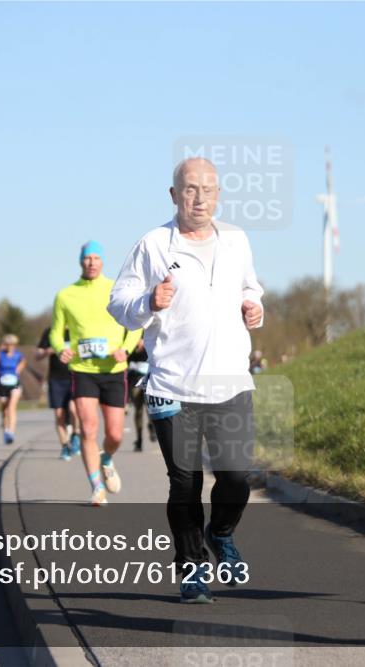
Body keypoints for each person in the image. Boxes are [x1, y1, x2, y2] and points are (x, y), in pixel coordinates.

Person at [109, 158, 264, 603]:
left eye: (209, 190)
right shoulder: (153, 244)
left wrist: (254, 307)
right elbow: (118, 302)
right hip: (173, 386)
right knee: (185, 482)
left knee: (236, 477)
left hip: (231, 382)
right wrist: (147, 302)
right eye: (190, 189)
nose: (200, 198)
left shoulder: (236, 240)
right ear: (174, 195)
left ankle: (220, 532)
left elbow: (251, 287)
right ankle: (192, 568)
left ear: (218, 195)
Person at [51, 241, 143, 506]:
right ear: (80, 262)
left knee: (114, 434)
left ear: (103, 262)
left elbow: (134, 324)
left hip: (114, 370)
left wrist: (125, 349)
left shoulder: (116, 288)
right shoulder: (65, 295)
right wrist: (60, 348)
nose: (91, 262)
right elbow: (57, 332)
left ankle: (106, 459)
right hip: (83, 370)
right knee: (88, 430)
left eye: (96, 258)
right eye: (87, 258)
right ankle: (96, 487)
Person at [36, 326, 82, 460]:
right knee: (59, 414)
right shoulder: (51, 331)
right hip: (56, 378)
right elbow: (37, 354)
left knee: (74, 409)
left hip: (75, 375)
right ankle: (65, 446)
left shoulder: (77, 328)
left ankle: (75, 435)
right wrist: (47, 351)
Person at [0, 333, 26, 444]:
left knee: (12, 406)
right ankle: (6, 430)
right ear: (5, 345)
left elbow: (23, 363)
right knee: (4, 409)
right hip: (2, 384)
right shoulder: (0, 355)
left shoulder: (18, 355)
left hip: (14, 383)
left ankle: (11, 432)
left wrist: (18, 370)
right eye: (8, 344)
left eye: (12, 344)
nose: (10, 346)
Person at [125, 339, 154, 452]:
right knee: (138, 411)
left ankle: (152, 427)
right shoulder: (131, 346)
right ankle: (139, 440)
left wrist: (145, 345)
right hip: (135, 381)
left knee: (150, 408)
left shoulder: (149, 339)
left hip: (149, 381)